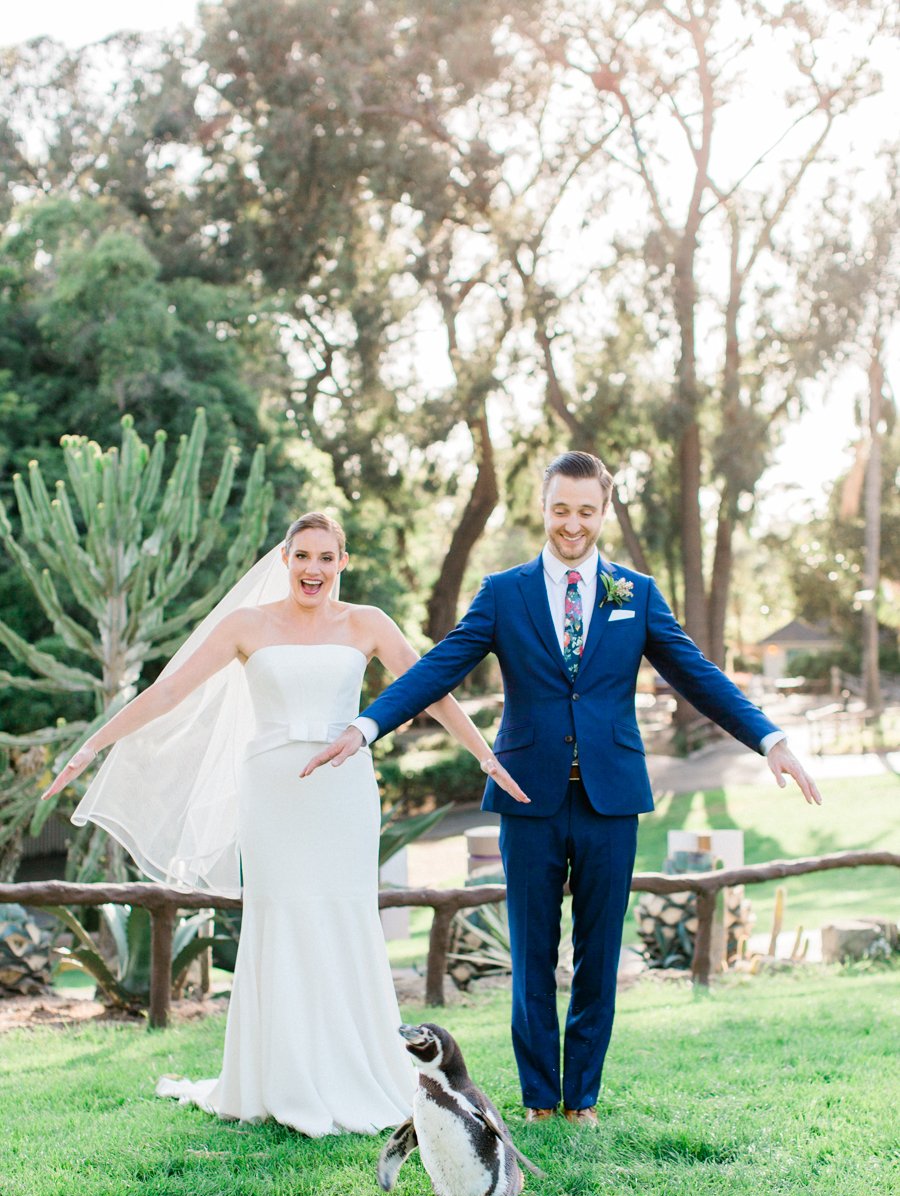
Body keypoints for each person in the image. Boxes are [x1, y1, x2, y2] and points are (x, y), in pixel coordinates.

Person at [303, 454, 822, 1128]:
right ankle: (541, 1101)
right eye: (560, 509)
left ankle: (583, 1101)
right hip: (528, 798)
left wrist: (770, 739)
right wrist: (369, 724)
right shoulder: (503, 593)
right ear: (542, 509)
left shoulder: (634, 593)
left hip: (612, 800)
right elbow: (437, 670)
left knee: (600, 957)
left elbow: (697, 673)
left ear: (603, 512)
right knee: (533, 957)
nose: (571, 524)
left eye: (585, 510)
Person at [42, 511, 527, 1137]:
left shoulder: (367, 623)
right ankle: (279, 1076)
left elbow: (432, 689)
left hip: (343, 791)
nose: (314, 570)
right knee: (282, 917)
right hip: (272, 791)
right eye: (303, 556)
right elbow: (167, 693)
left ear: (342, 563)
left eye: (327, 558)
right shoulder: (246, 625)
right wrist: (90, 746)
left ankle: (356, 1068)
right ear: (286, 560)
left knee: (343, 915)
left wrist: (485, 755)